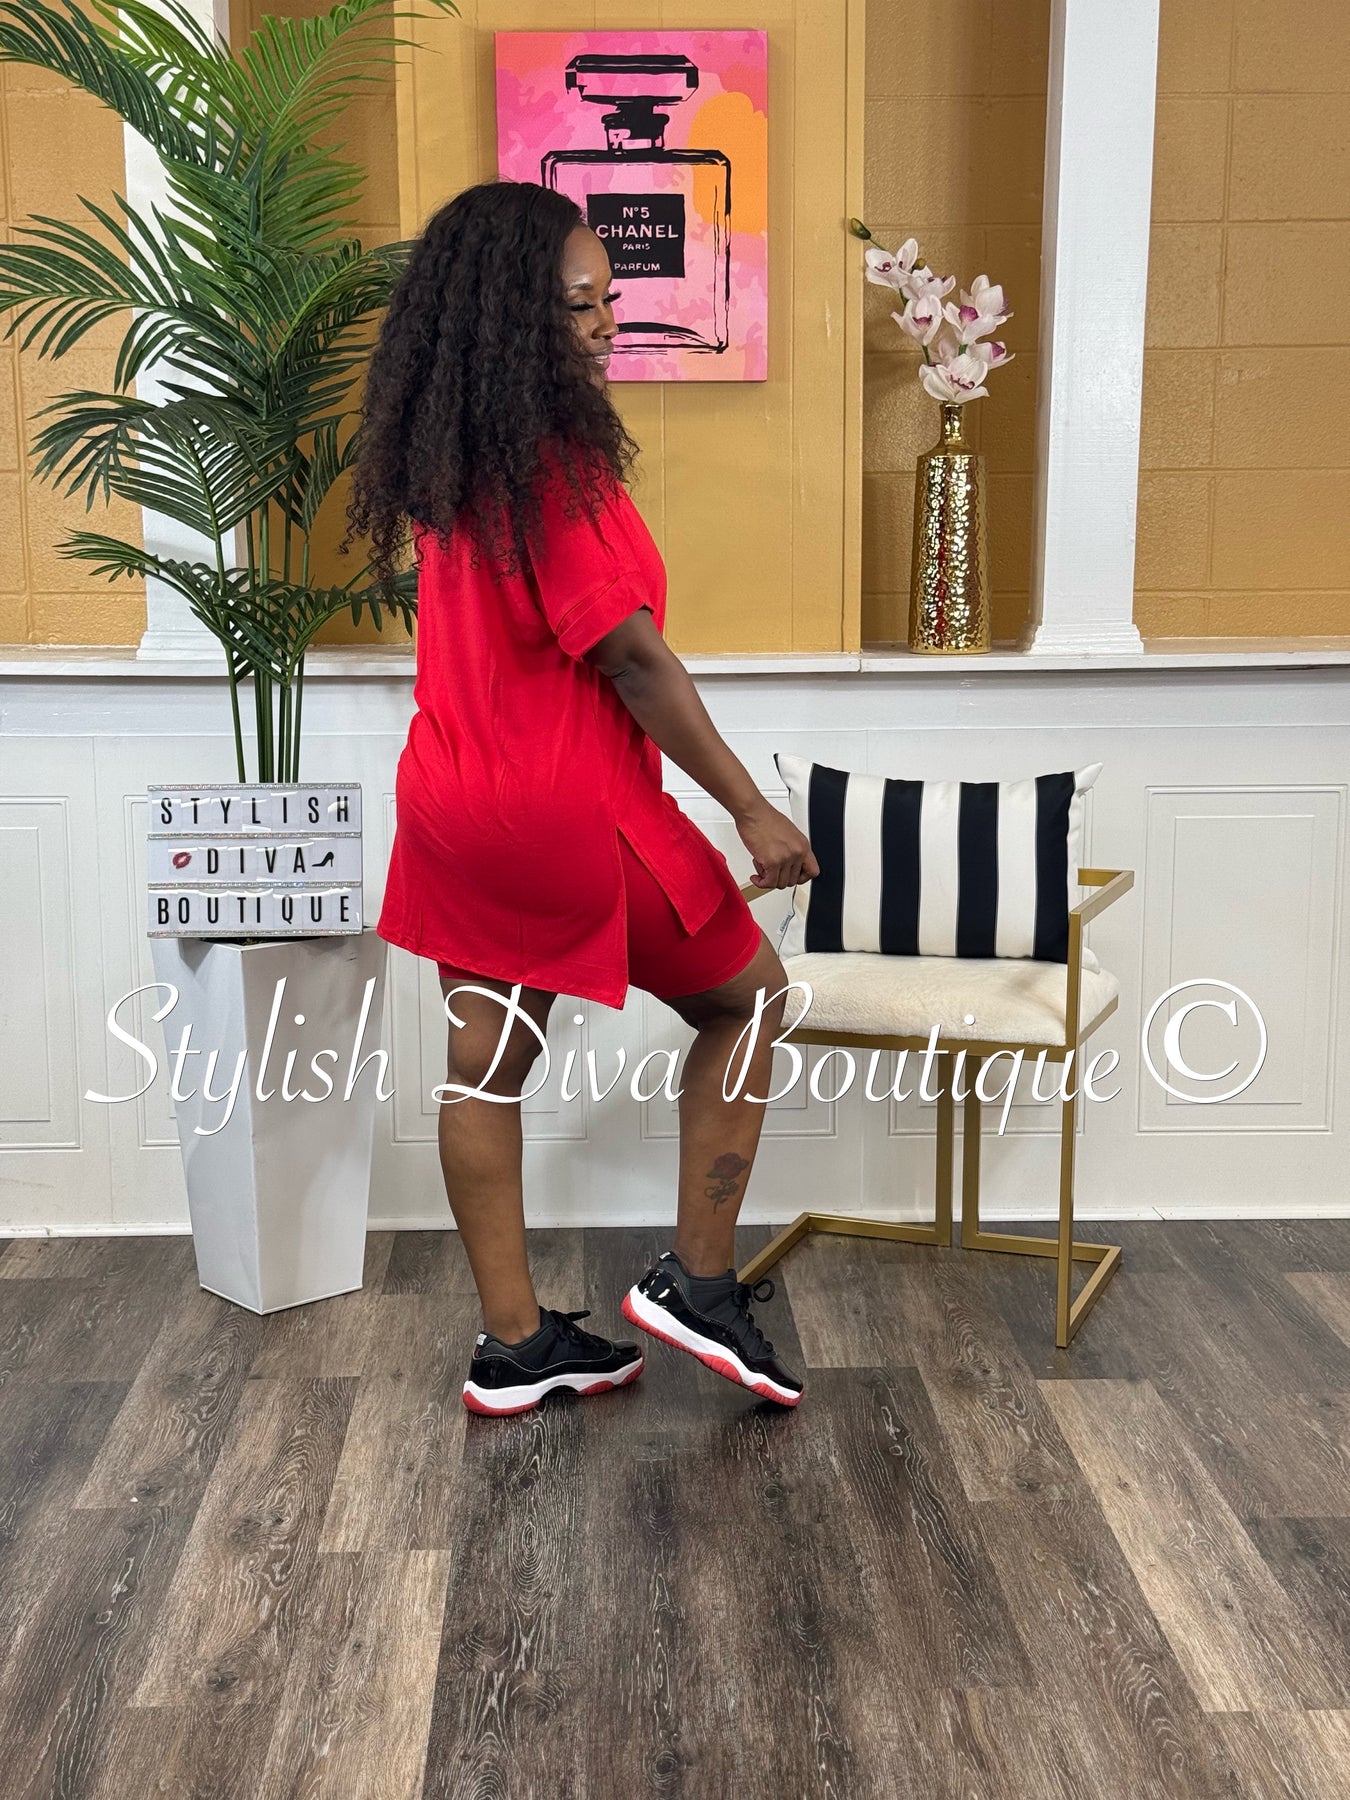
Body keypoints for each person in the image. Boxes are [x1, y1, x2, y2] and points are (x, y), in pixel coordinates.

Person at [348, 179, 819, 1418]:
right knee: (752, 1001)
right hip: (566, 810)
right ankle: (698, 1284)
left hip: (454, 805)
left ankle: (514, 1347)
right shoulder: (552, 469)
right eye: (576, 306)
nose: (606, 323)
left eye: (609, 299)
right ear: (512, 317)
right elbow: (632, 660)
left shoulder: (453, 462)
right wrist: (751, 809)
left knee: (484, 1067)